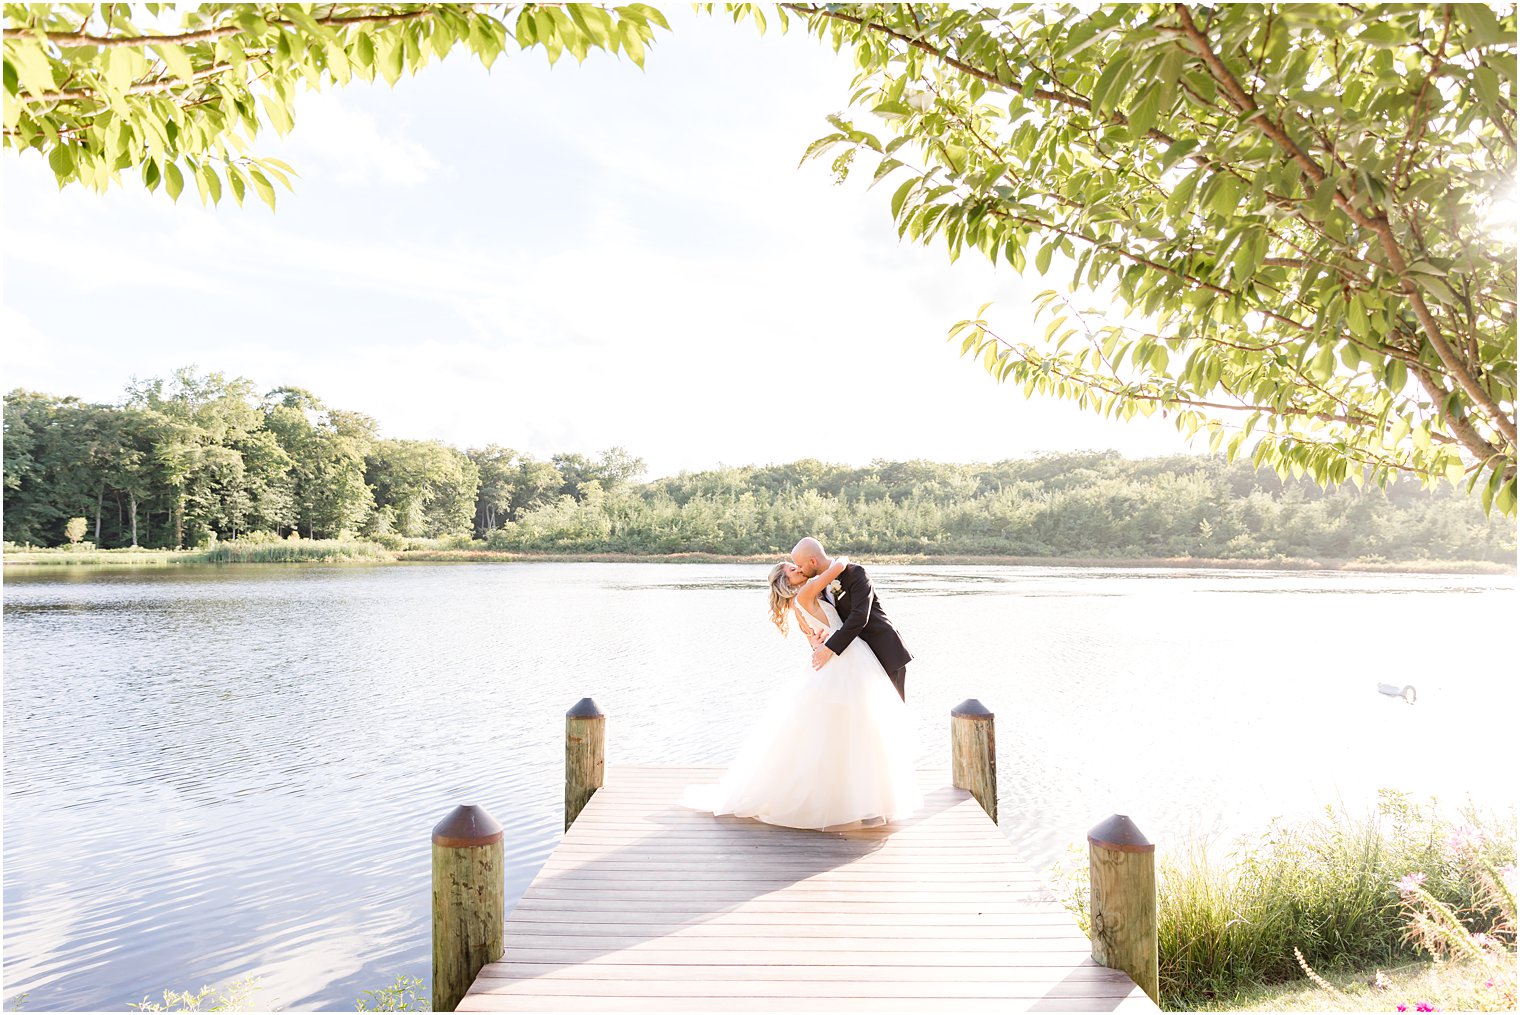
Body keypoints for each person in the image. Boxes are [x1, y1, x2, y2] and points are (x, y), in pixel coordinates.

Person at [682, 543, 921, 830]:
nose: (799, 569)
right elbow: (836, 569)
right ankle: (863, 801)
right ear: (789, 581)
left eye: (797, 565)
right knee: (858, 730)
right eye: (794, 569)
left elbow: (842, 623)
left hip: (874, 654)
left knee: (872, 728)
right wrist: (838, 563)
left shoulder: (842, 581)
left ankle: (874, 796)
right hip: (847, 660)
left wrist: (821, 644)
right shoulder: (811, 590)